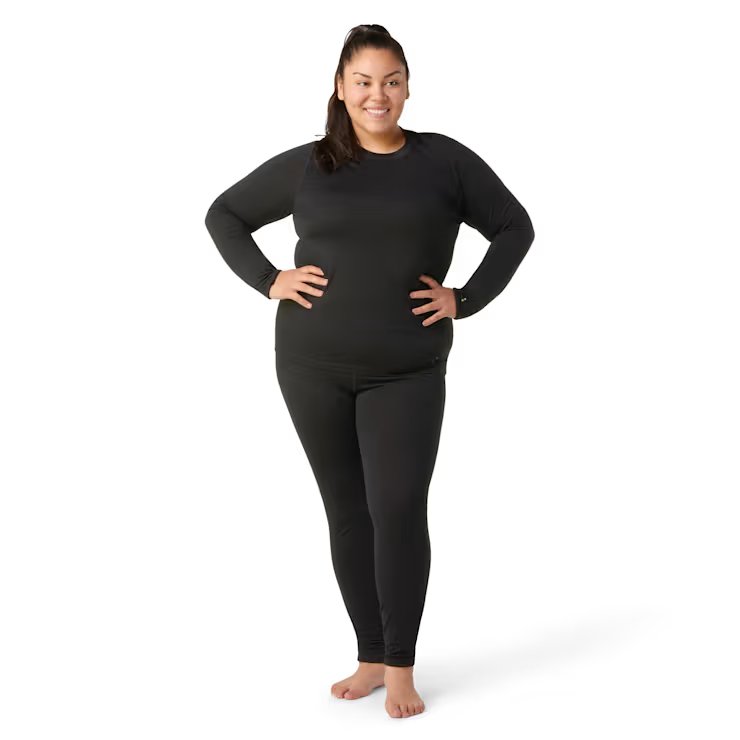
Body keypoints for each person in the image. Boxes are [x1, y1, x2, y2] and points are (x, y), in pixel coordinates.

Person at [204, 24, 535, 720]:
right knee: (348, 513)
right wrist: (269, 279)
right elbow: (224, 214)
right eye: (363, 81)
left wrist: (465, 298)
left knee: (399, 510)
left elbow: (515, 226)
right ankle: (371, 656)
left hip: (406, 371)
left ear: (407, 87)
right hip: (310, 365)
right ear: (340, 87)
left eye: (390, 80)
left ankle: (403, 666)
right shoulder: (310, 165)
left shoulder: (444, 162)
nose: (376, 94)